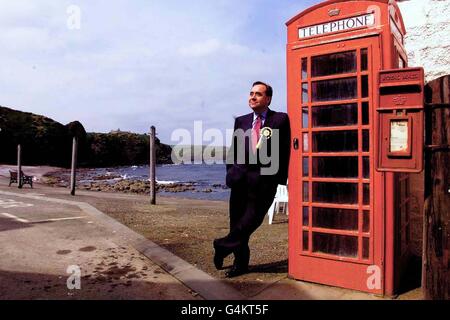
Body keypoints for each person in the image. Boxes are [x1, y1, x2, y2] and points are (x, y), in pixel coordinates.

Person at [213, 81, 291, 277]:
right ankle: (240, 264)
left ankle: (221, 246)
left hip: (264, 184)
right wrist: (230, 174)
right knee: (236, 223)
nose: (252, 97)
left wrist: (280, 180)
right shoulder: (241, 120)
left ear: (268, 98)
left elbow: (285, 150)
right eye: (251, 93)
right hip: (239, 181)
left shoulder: (280, 119)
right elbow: (234, 150)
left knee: (250, 223)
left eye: (258, 94)